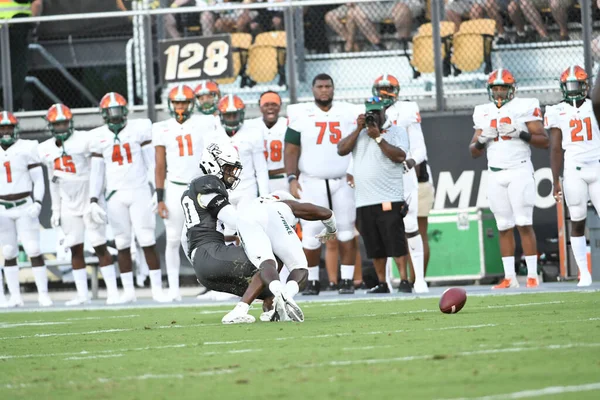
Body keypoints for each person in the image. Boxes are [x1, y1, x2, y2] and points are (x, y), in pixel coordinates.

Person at [181, 142, 337, 323]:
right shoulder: (208, 183)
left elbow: (185, 238)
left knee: (266, 285)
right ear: (213, 163)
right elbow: (235, 220)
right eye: (228, 168)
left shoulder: (194, 193)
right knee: (272, 261)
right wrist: (331, 228)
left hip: (203, 263)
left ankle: (271, 308)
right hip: (211, 254)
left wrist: (197, 265)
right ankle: (246, 307)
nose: (231, 174)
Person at [469, 69, 549, 289]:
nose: (499, 92)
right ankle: (509, 277)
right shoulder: (483, 111)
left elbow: (544, 140)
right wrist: (482, 140)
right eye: (495, 88)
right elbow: (473, 151)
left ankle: (532, 275)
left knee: (523, 222)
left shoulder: (523, 107)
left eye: (503, 87)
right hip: (495, 173)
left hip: (519, 170)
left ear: (512, 89)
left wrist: (520, 133)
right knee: (503, 226)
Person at [87, 92, 170, 303]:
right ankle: (128, 291)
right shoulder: (97, 137)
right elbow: (97, 173)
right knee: (122, 242)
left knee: (147, 239)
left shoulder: (138, 129)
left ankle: (157, 289)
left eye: (118, 111)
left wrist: (157, 191)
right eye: (110, 112)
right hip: (115, 195)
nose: (115, 116)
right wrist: (93, 199)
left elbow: (151, 163)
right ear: (104, 114)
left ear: (125, 111)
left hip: (139, 191)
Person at [284, 73, 360, 295]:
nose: (324, 90)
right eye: (320, 86)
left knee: (346, 230)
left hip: (342, 179)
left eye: (328, 86)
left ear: (333, 89)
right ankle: (312, 280)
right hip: (312, 180)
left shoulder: (348, 112)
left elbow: (358, 142)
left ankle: (347, 281)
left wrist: (354, 170)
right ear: (313, 89)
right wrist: (291, 177)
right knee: (312, 231)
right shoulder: (300, 113)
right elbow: (291, 148)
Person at [37, 104, 119, 305]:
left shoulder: (84, 140)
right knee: (75, 248)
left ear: (70, 122)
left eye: (64, 122)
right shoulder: (45, 149)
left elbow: (98, 171)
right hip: (67, 202)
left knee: (99, 245)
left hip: (88, 198)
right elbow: (52, 180)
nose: (61, 127)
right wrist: (56, 209)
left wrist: (95, 199)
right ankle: (82, 294)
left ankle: (113, 292)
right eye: (57, 124)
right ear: (50, 125)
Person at [153, 84, 227, 301]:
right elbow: (159, 165)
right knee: (174, 239)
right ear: (170, 103)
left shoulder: (205, 122)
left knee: (210, 237)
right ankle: (173, 289)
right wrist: (159, 198)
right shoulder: (161, 127)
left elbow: (218, 119)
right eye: (177, 102)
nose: (180, 106)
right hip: (175, 186)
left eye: (184, 101)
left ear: (191, 103)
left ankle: (216, 285)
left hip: (200, 187)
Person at [337, 97, 411, 294]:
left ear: (384, 112)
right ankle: (382, 282)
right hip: (364, 199)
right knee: (374, 245)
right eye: (371, 112)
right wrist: (358, 129)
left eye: (377, 112)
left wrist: (378, 137)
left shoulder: (396, 131)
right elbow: (341, 150)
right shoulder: (359, 134)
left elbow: (399, 156)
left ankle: (404, 280)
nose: (374, 116)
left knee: (395, 242)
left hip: (389, 197)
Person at [236, 191, 337, 322]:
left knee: (267, 264)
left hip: (243, 221)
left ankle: (240, 309)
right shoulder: (285, 205)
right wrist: (331, 229)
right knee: (299, 267)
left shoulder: (252, 205)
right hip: (273, 217)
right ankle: (286, 296)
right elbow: (326, 213)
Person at [372, 74, 428, 294]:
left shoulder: (407, 110)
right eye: (381, 89)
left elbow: (420, 149)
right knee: (383, 228)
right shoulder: (369, 111)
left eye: (389, 89)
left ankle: (419, 280)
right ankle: (385, 281)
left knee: (411, 226)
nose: (385, 94)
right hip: (379, 178)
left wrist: (409, 162)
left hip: (403, 176)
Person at [548, 65, 596, 287]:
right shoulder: (556, 110)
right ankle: (583, 273)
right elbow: (556, 148)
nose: (574, 89)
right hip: (574, 169)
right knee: (577, 220)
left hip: (597, 165)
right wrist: (555, 179)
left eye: (578, 84)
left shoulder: (594, 106)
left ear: (586, 85)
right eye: (570, 85)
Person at [0, 111, 52, 307]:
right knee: (8, 251)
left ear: (16, 128)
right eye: (3, 127)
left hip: (24, 205)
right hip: (2, 207)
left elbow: (39, 179)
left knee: (33, 248)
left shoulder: (28, 147)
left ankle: (43, 294)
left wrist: (38, 202)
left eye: (9, 127)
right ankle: (15, 296)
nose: (6, 131)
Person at [217, 94, 269, 207]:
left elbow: (261, 169)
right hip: (222, 190)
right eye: (228, 115)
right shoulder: (213, 135)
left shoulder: (253, 133)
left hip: (247, 189)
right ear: (221, 116)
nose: (231, 119)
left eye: (234, 115)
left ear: (241, 115)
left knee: (247, 222)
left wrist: (265, 196)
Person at [0, 0, 43, 111]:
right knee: (17, 69)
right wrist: (34, 26)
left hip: (14, 26)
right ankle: (11, 108)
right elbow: (37, 3)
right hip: (18, 25)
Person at [247, 91, 288, 193]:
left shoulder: (287, 124)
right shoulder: (250, 126)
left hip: (282, 178)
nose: (270, 107)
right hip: (258, 180)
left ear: (280, 106)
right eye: (266, 105)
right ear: (260, 107)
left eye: (274, 104)